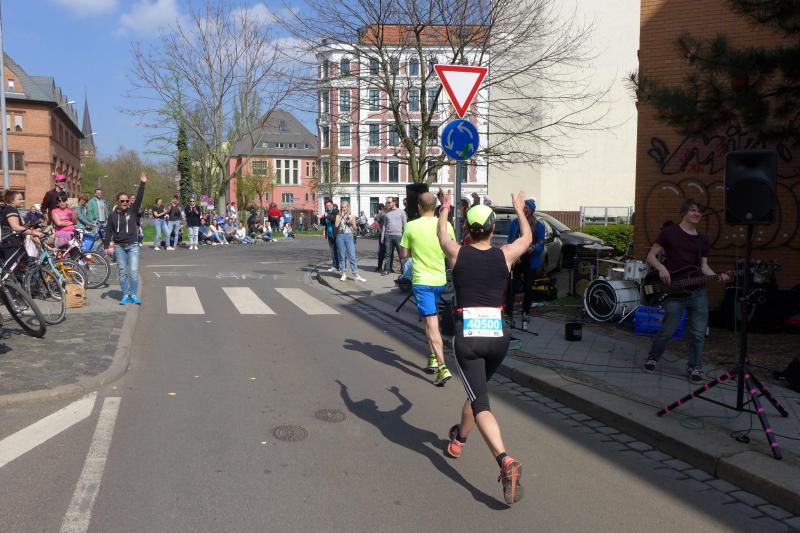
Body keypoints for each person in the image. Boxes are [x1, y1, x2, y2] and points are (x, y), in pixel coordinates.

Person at [437, 189, 531, 506]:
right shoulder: (505, 255)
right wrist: (519, 210)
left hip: (468, 338)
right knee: (477, 392)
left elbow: (441, 233)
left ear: (467, 230)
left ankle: (505, 460)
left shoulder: (456, 253)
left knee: (481, 403)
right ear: (492, 229)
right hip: (499, 338)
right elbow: (527, 239)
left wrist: (445, 207)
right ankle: (460, 439)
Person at [642, 198, 731, 384]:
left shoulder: (702, 240)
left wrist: (717, 276)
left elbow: (704, 267)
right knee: (668, 330)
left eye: (699, 211)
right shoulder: (669, 232)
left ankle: (695, 367)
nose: (697, 214)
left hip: (698, 292)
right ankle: (653, 358)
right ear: (685, 212)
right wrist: (661, 268)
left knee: (698, 333)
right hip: (674, 291)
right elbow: (651, 256)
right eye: (693, 210)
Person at [399, 191, 455, 386]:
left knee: (431, 323)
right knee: (429, 319)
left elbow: (404, 254)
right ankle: (432, 356)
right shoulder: (445, 224)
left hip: (423, 282)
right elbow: (450, 249)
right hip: (440, 280)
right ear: (435, 206)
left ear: (418, 207)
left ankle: (442, 367)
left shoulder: (411, 226)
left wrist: (416, 250)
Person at [104, 173, 148, 305]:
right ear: (118, 202)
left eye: (127, 201)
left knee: (133, 272)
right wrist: (106, 246)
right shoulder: (112, 215)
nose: (125, 203)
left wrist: (143, 183)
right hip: (119, 247)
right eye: (122, 201)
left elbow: (139, 198)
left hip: (133, 245)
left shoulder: (132, 211)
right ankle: (125, 294)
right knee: (123, 272)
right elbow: (108, 231)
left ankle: (133, 294)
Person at [506, 199, 546, 331]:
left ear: (532, 210)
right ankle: (509, 314)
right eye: (524, 207)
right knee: (512, 288)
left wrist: (533, 249)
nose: (525, 210)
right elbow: (510, 240)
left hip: (530, 260)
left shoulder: (538, 225)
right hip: (517, 259)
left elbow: (541, 244)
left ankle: (525, 313)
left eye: (527, 208)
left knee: (528, 289)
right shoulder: (515, 223)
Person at [0, 190, 44, 265]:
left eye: (22, 199)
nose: (22, 201)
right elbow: (15, 227)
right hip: (11, 245)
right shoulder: (10, 210)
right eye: (19, 199)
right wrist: (33, 232)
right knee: (16, 268)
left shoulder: (7, 209)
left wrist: (29, 227)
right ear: (12, 200)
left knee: (27, 265)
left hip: (11, 243)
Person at [334, 202, 367, 282]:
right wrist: (341, 216)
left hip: (349, 236)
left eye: (345, 207)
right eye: (342, 207)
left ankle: (355, 274)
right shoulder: (338, 215)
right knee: (341, 256)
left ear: (348, 207)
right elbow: (336, 225)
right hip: (340, 236)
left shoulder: (352, 216)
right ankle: (343, 273)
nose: (343, 209)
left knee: (352, 256)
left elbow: (355, 228)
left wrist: (352, 223)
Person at [381, 197, 406, 275]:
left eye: (389, 202)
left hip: (399, 236)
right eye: (387, 202)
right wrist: (382, 237)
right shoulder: (386, 213)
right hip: (388, 236)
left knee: (401, 254)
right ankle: (387, 270)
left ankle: (404, 270)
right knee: (388, 254)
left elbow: (405, 225)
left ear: (394, 202)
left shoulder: (401, 212)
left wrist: (405, 237)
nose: (387, 204)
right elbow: (384, 226)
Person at [323, 200, 340, 272]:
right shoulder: (327, 212)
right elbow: (324, 223)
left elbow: (335, 220)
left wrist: (327, 216)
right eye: (327, 206)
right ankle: (334, 266)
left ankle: (340, 266)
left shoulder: (336, 212)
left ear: (332, 205)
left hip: (336, 234)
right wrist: (321, 218)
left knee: (338, 251)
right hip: (330, 235)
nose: (328, 207)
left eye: (329, 205)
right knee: (332, 251)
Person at [375, 203, 386, 271]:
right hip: (383, 234)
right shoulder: (381, 213)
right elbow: (376, 222)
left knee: (384, 251)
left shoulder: (384, 212)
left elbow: (376, 222)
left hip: (386, 234)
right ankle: (380, 266)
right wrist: (380, 231)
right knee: (382, 251)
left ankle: (384, 267)